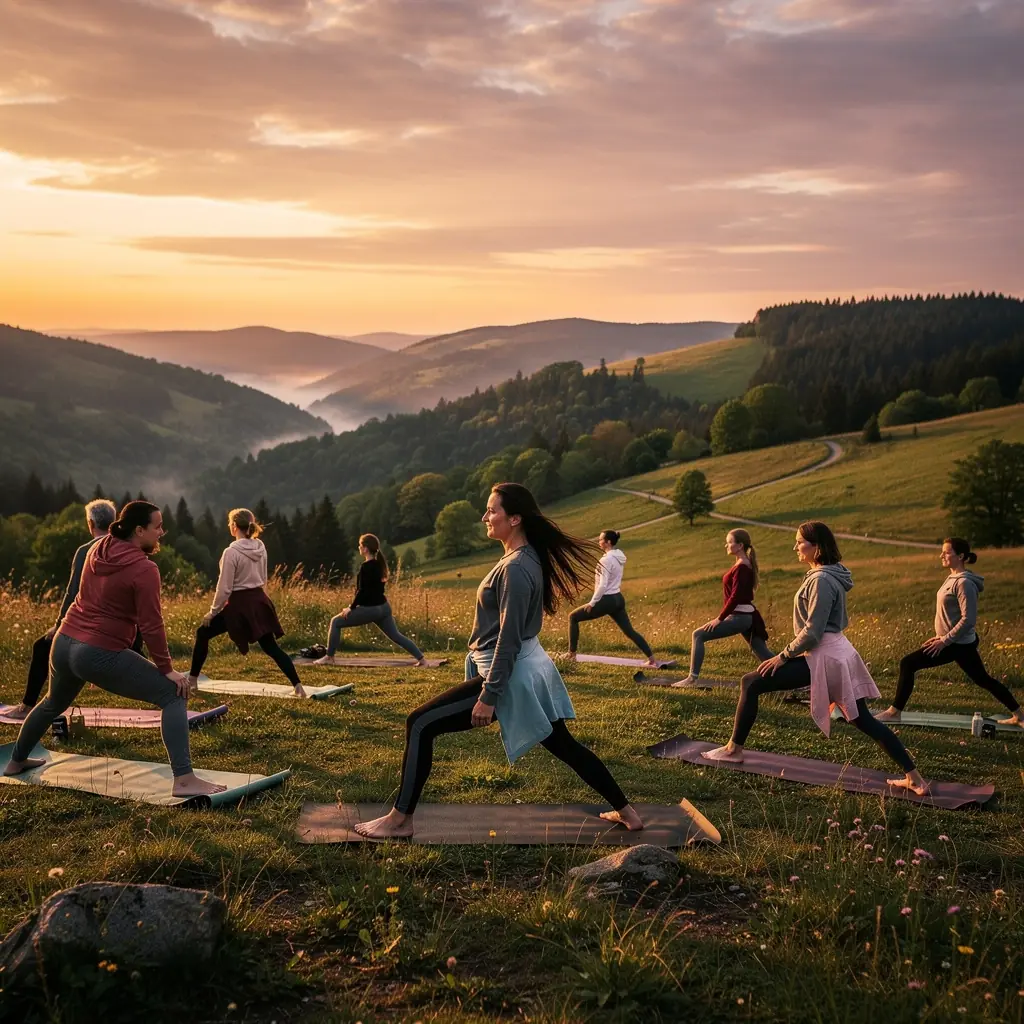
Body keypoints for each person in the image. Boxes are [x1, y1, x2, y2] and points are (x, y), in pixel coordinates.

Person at [354, 483, 644, 838]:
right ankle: (627, 812)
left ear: (515, 518)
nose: (485, 517)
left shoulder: (517, 567)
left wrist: (489, 696)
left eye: (492, 511)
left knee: (419, 724)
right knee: (564, 744)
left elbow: (508, 639)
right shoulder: (522, 558)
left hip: (506, 674)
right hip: (523, 669)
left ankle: (399, 820)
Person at [4, 501, 225, 798]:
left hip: (64, 642)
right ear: (138, 530)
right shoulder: (145, 569)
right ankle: (184, 779)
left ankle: (16, 762)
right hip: (96, 651)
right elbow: (152, 625)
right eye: (157, 527)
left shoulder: (98, 548)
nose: (162, 532)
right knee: (173, 694)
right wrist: (167, 669)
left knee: (52, 702)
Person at [702, 521, 928, 795]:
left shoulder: (821, 579)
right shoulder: (827, 573)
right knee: (862, 719)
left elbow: (813, 631)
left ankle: (733, 749)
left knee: (751, 682)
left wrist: (783, 656)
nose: (795, 546)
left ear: (816, 547)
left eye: (800, 542)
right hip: (834, 651)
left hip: (824, 655)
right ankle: (914, 777)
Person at [8, 498, 137, 721]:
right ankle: (171, 694)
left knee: (42, 648)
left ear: (90, 524)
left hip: (91, 629)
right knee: (138, 658)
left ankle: (28, 706)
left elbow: (72, 593)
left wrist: (58, 626)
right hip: (129, 626)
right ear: (113, 521)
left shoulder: (86, 551)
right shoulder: (128, 547)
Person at [876, 538, 1021, 726]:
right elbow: (951, 614)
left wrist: (944, 640)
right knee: (983, 679)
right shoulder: (952, 577)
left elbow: (968, 619)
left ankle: (894, 712)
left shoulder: (964, 583)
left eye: (946, 552)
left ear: (960, 556)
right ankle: (1019, 715)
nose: (941, 556)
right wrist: (940, 635)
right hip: (955, 642)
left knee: (908, 663)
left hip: (956, 644)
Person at [187, 508, 307, 697]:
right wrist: (264, 603)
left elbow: (225, 588)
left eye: (230, 523)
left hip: (239, 606)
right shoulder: (260, 547)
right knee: (271, 647)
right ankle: (298, 687)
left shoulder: (231, 552)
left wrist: (212, 612)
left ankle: (192, 681)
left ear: (234, 526)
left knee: (203, 632)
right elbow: (264, 578)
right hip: (259, 601)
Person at [673, 528, 773, 687]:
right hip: (746, 616)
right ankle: (798, 679)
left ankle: (692, 679)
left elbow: (736, 596)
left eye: (729, 542)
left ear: (739, 545)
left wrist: (719, 619)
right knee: (763, 653)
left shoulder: (742, 567)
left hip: (740, 617)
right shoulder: (743, 564)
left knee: (698, 635)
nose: (726, 546)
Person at [313, 534, 426, 666]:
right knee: (396, 636)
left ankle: (329, 657)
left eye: (360, 545)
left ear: (366, 549)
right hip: (384, 608)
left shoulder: (366, 567)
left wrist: (351, 607)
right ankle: (422, 660)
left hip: (371, 610)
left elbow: (362, 592)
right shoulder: (379, 565)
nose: (359, 548)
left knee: (335, 622)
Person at [565, 529, 659, 666]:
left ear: (608, 542)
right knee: (629, 631)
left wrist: (592, 602)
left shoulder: (606, 560)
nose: (599, 542)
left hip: (607, 599)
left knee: (573, 617)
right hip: (617, 598)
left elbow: (603, 585)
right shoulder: (618, 557)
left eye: (601, 539)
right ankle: (651, 659)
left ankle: (571, 654)